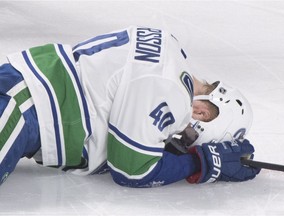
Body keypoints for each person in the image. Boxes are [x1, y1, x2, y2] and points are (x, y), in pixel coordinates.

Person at [0, 26, 260, 187]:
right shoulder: (171, 91)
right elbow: (132, 169)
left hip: (24, 92)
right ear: (201, 113)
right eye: (190, 135)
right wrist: (199, 162)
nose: (179, 137)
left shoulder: (170, 51)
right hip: (24, 109)